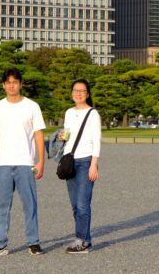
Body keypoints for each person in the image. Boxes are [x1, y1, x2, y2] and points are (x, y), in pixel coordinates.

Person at [0, 68, 46, 258]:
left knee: (30, 204)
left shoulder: (32, 106)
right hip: (3, 163)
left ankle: (33, 242)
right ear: (3, 85)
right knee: (1, 206)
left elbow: (39, 134)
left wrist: (41, 161)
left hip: (26, 163)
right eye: (8, 82)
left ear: (21, 84)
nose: (12, 85)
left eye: (15, 82)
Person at [60, 79, 102, 254]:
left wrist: (94, 165)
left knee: (83, 203)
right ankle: (85, 238)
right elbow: (68, 135)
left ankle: (82, 240)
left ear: (88, 94)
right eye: (75, 90)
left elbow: (96, 141)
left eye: (82, 91)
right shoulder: (69, 112)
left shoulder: (93, 114)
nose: (78, 93)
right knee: (75, 204)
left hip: (85, 161)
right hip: (70, 160)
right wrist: (63, 136)